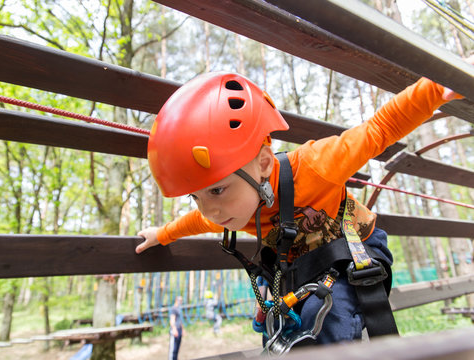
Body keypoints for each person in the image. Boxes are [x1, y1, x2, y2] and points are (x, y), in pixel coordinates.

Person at [136, 59, 470, 346]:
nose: (209, 210)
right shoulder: (231, 211)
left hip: (350, 253)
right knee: (280, 330)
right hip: (297, 272)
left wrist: (435, 88)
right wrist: (161, 234)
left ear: (264, 163)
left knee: (322, 320)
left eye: (217, 191)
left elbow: (378, 130)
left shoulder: (315, 164)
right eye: (196, 196)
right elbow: (194, 222)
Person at [168, 296, 184, 360]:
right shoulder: (173, 309)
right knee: (173, 349)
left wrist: (182, 329)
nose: (181, 302)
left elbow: (179, 320)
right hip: (175, 330)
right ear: (176, 300)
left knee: (177, 348)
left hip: (179, 329)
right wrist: (174, 329)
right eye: (180, 300)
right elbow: (172, 320)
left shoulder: (179, 309)